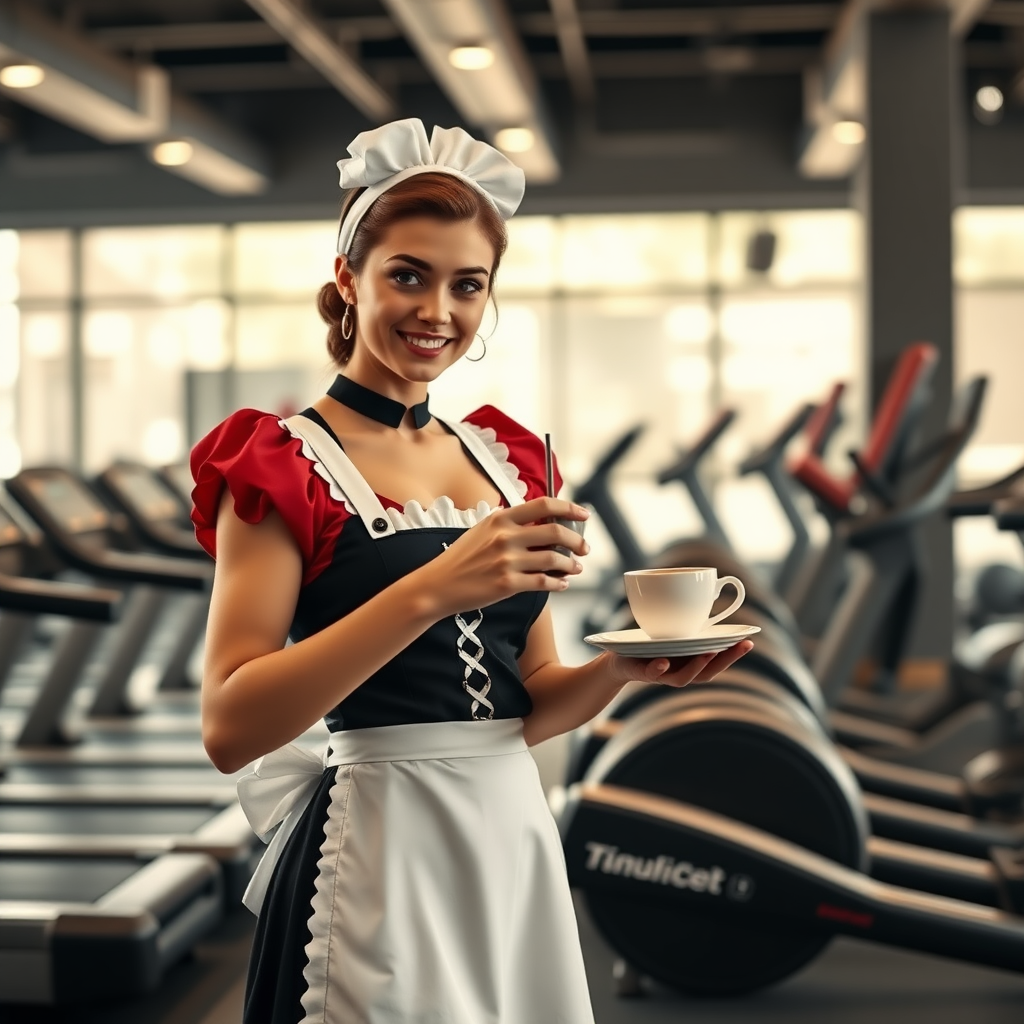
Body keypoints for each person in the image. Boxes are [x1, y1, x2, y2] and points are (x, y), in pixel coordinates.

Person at [190, 118, 754, 1024]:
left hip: (510, 834)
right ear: (348, 278)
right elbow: (230, 725)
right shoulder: (280, 461)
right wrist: (434, 587)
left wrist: (620, 669)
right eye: (407, 274)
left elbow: (530, 699)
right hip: (376, 843)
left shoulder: (510, 461)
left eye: (468, 285)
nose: (437, 312)